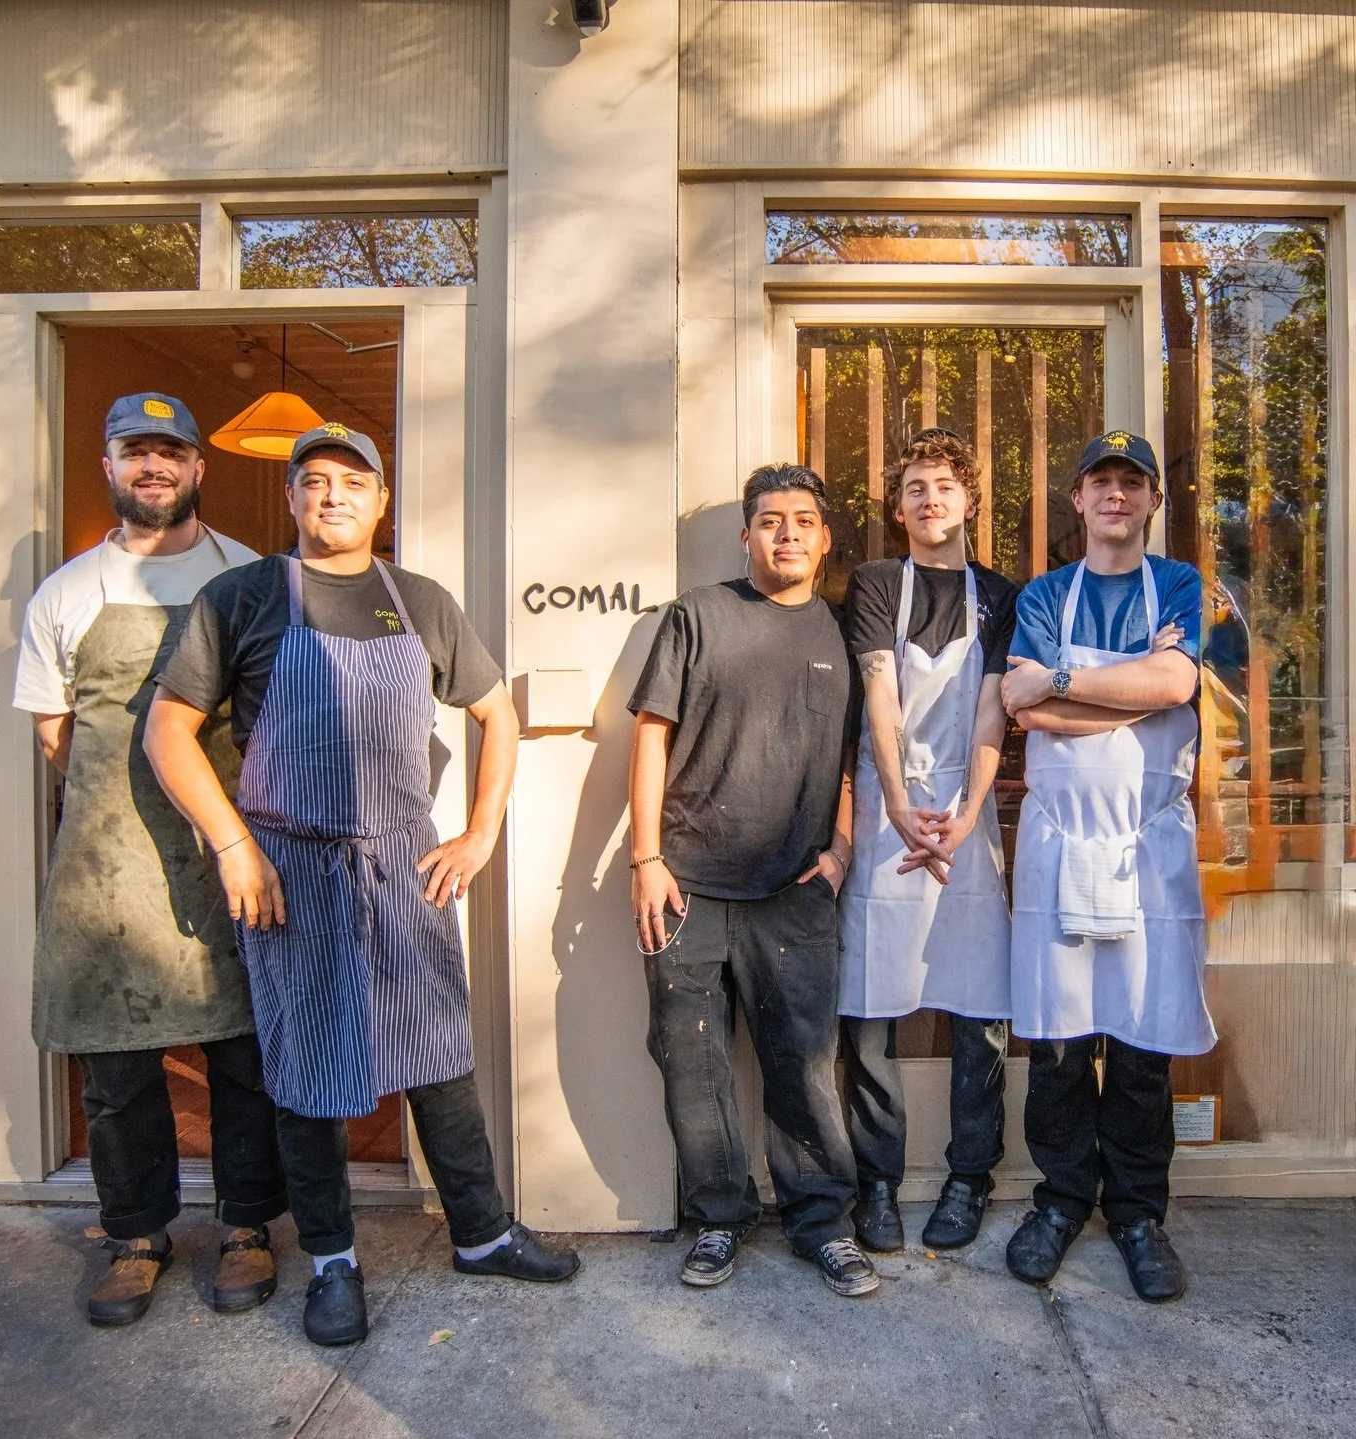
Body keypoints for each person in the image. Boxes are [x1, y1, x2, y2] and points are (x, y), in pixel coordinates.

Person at [144, 421, 578, 1347]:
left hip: (401, 860)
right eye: (314, 482)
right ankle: (333, 1261)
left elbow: (497, 715)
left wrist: (479, 833)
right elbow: (167, 731)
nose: (331, 494)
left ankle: (483, 1232)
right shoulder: (245, 596)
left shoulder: (418, 599)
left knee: (438, 1058)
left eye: (351, 481)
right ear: (293, 500)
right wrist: (233, 845)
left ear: (381, 501)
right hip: (288, 871)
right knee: (306, 1070)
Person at [15, 393, 285, 1327]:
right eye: (137, 452)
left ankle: (247, 1224)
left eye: (171, 452)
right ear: (110, 466)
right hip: (106, 868)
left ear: (199, 467)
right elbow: (58, 735)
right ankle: (135, 1235)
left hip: (229, 853)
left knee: (241, 1055)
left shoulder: (250, 576)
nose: (155, 468)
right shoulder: (65, 593)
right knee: (118, 1074)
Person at [627, 461, 878, 1298]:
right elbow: (651, 735)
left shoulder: (843, 633)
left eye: (804, 520)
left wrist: (841, 849)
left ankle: (821, 1224)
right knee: (691, 1061)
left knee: (802, 1065)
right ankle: (720, 1218)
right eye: (771, 520)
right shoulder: (698, 616)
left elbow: (851, 759)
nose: (788, 534)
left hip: (796, 890)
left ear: (825, 536)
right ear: (746, 535)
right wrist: (645, 858)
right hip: (687, 883)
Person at [1000, 429, 1215, 1304]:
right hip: (1059, 842)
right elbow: (1020, 702)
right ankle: (1059, 1199)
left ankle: (1135, 1211)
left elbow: (1174, 687)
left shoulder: (1180, 585)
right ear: (1079, 501)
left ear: (1153, 501)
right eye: (1102, 482)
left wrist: (1064, 689)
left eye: (1134, 482)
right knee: (1057, 1041)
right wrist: (1118, 689)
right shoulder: (1047, 593)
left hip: (1147, 847)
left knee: (1140, 1043)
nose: (1117, 496)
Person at [839, 429, 1018, 1254]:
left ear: (970, 500)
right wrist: (906, 804)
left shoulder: (999, 593)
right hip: (888, 810)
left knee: (979, 1007)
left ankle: (969, 1176)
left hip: (967, 812)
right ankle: (877, 1179)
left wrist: (968, 808)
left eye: (944, 485)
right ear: (897, 504)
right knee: (871, 1007)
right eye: (914, 486)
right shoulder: (876, 583)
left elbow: (991, 708)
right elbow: (881, 694)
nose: (930, 498)